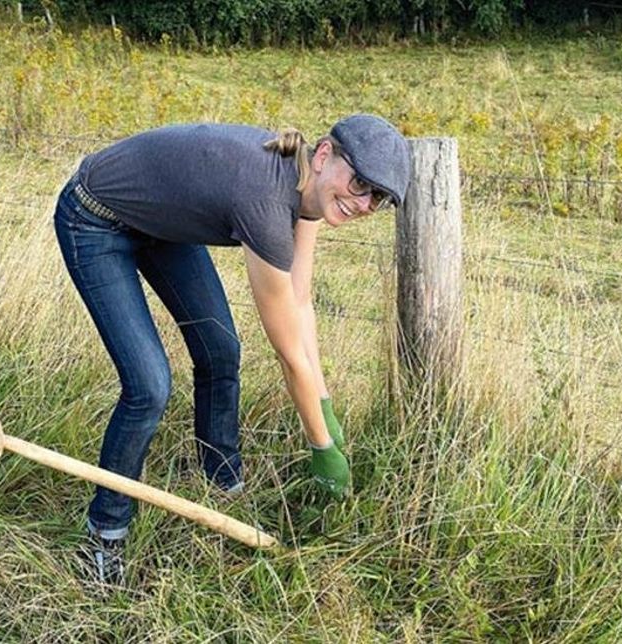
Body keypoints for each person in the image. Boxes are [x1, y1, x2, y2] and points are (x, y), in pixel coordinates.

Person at [53, 114, 411, 584]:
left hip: (158, 225)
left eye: (378, 198)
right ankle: (105, 534)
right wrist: (321, 444)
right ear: (325, 155)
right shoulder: (264, 204)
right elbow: (288, 352)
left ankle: (221, 479)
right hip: (93, 217)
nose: (364, 202)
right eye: (360, 182)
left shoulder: (309, 190)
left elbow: (301, 303)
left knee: (220, 350)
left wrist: (324, 406)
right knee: (149, 386)